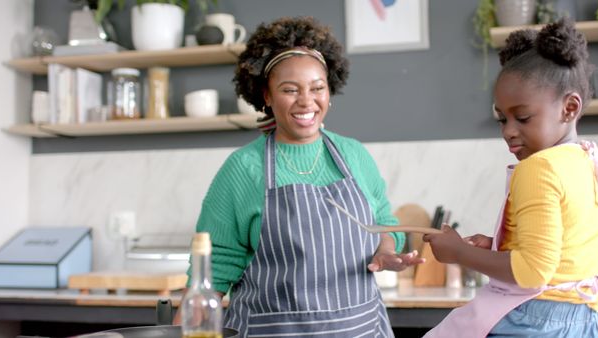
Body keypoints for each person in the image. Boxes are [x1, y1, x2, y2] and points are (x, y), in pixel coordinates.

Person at [175, 16, 424, 337]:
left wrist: (387, 251)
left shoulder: (355, 155)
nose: (306, 101)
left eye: (317, 88)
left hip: (359, 329)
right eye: (290, 90)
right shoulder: (242, 169)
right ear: (266, 95)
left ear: (329, 90)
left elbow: (385, 224)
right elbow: (215, 264)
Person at [422, 18, 598, 338]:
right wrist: (497, 246)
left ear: (569, 108)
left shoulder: (538, 167)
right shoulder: (585, 158)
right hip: (582, 315)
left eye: (523, 117)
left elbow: (532, 272)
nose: (508, 131)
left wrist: (459, 254)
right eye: (502, 119)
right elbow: (561, 249)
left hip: (537, 319)